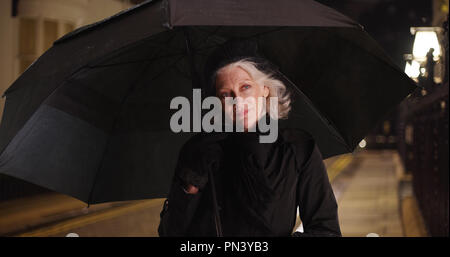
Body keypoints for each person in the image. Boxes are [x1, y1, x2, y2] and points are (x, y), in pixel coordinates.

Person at [158, 39, 341, 237]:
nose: (237, 101)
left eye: (245, 87)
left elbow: (326, 231)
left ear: (264, 89)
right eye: (226, 94)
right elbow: (169, 233)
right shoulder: (199, 151)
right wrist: (190, 184)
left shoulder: (298, 149)